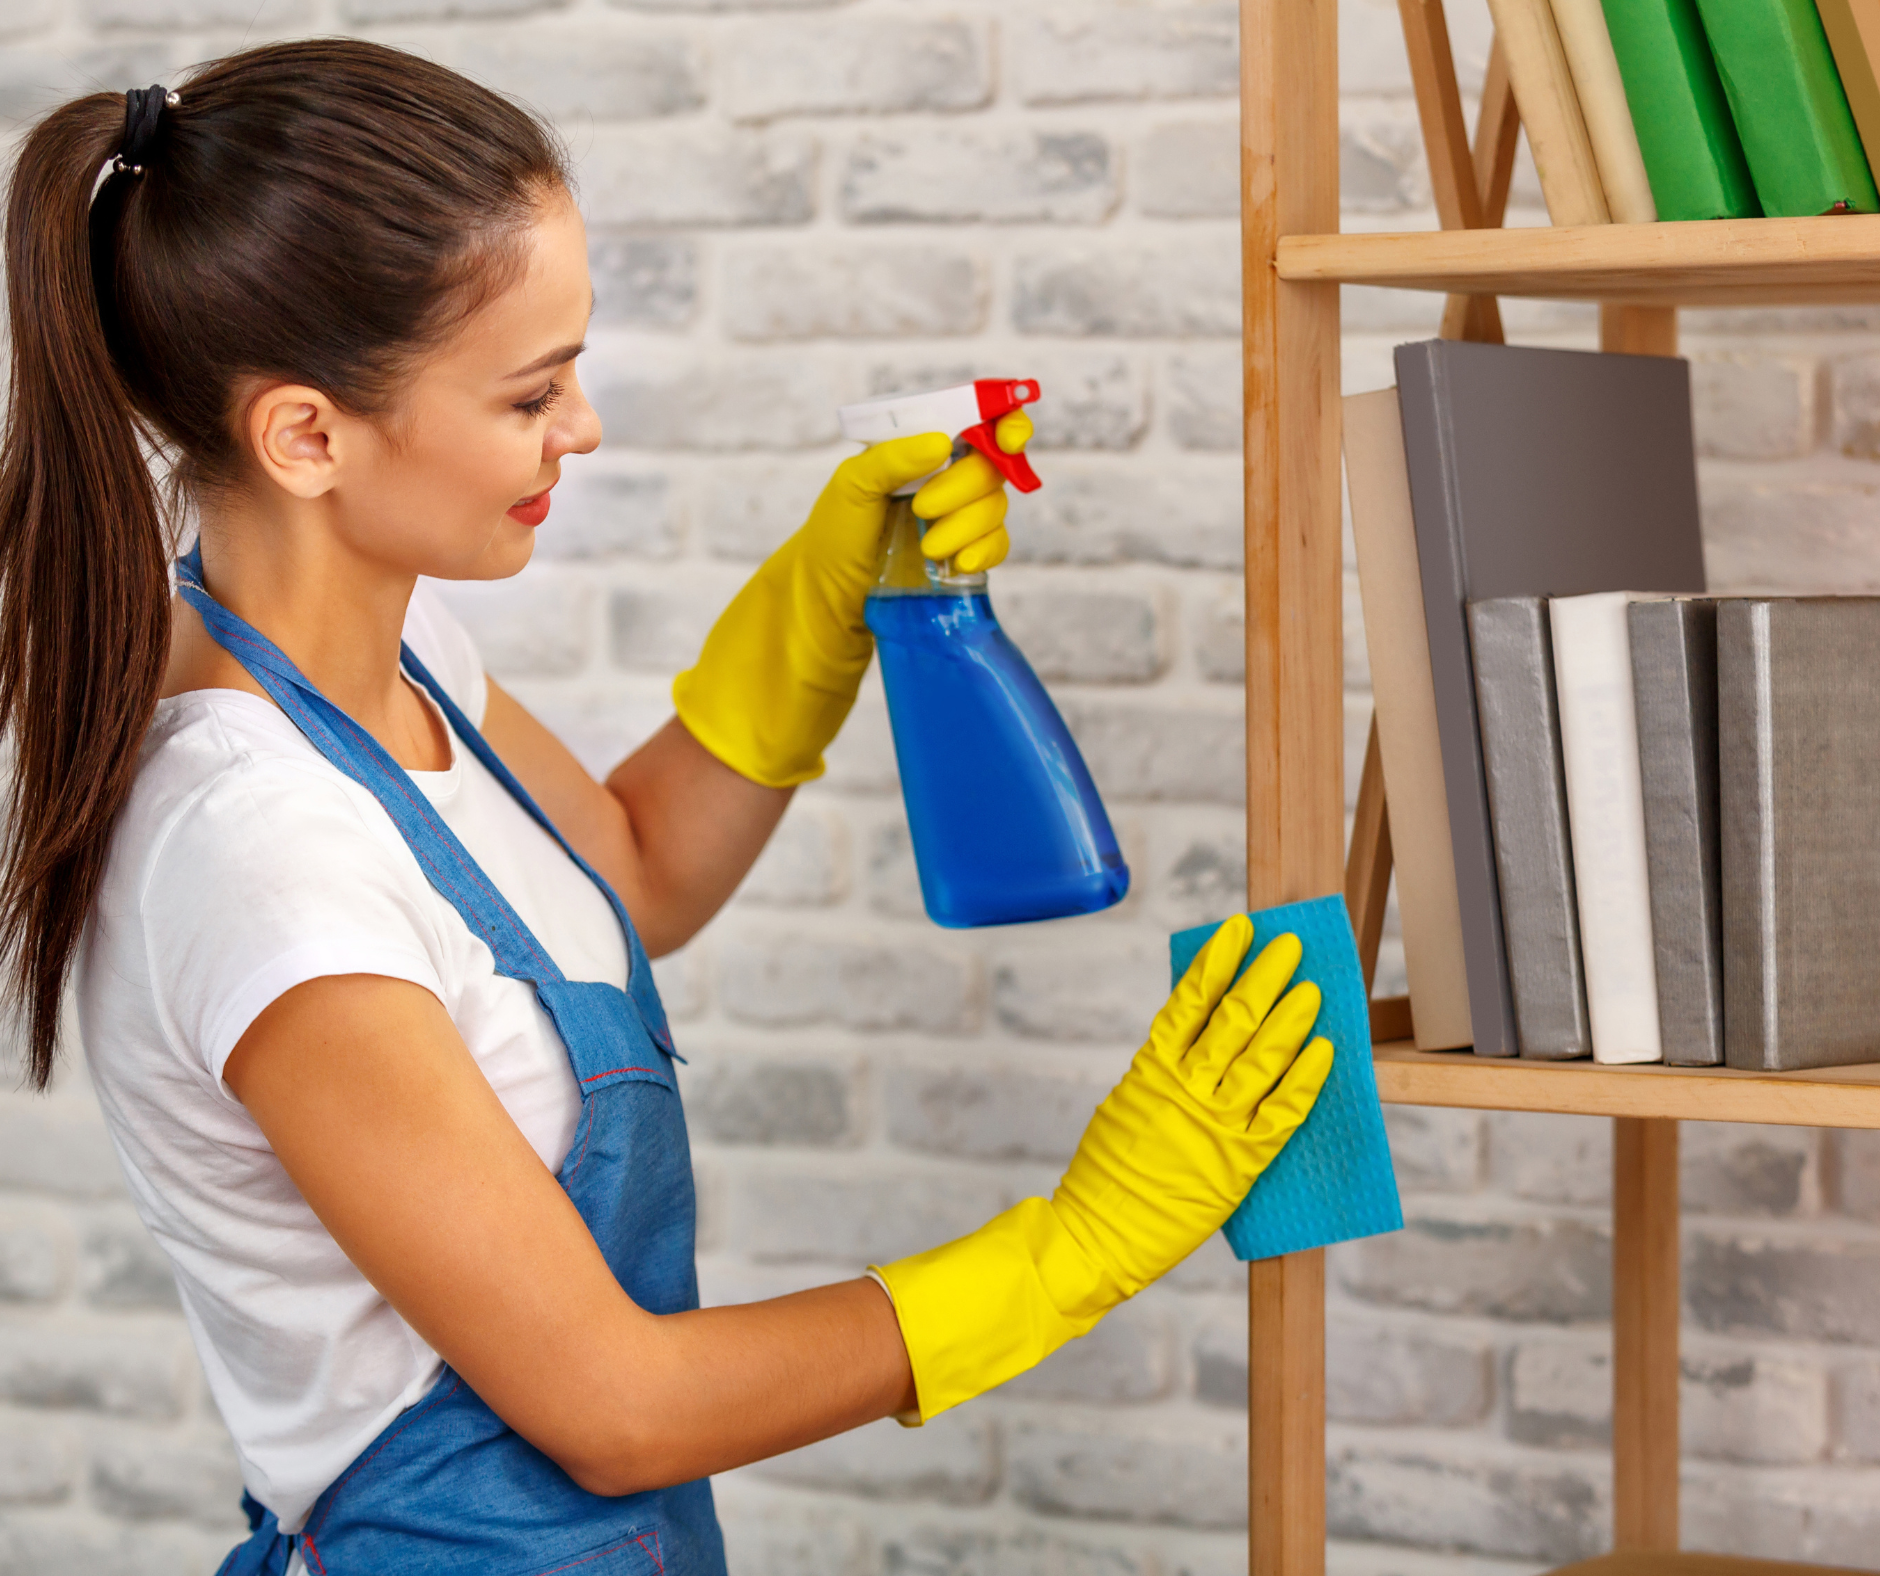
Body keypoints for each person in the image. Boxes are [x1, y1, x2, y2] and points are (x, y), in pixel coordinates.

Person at [0, 39, 1335, 1576]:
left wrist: (824, 601)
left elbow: (632, 872)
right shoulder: (258, 851)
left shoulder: (396, 649)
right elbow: (613, 1406)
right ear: (308, 435)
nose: (583, 428)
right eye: (529, 392)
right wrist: (1073, 1250)